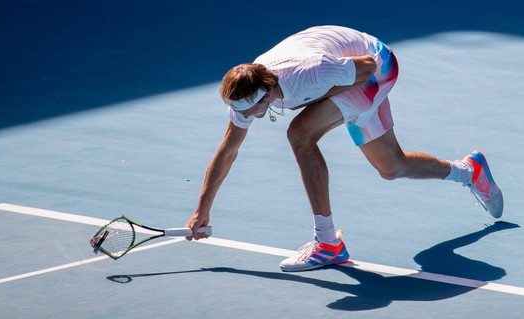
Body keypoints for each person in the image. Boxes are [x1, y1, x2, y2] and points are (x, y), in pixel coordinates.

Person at [185, 25, 504, 272]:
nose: (244, 118)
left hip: (375, 67)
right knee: (392, 167)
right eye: (239, 111)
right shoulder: (247, 93)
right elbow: (228, 151)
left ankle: (327, 243)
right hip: (341, 65)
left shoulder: (309, 73)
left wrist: (328, 97)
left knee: (300, 134)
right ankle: (470, 171)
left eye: (250, 112)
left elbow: (366, 67)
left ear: (267, 94)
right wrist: (202, 209)